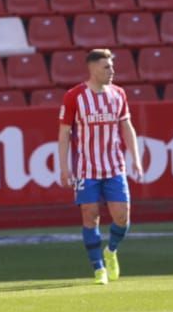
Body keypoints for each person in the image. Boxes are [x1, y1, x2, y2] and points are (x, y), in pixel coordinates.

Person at [58, 48, 143, 285]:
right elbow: (64, 134)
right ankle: (98, 268)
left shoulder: (118, 94)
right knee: (90, 215)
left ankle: (111, 251)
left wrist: (135, 157)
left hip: (114, 166)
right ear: (93, 68)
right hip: (86, 169)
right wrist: (64, 167)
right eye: (106, 67)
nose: (112, 71)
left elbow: (127, 127)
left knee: (122, 217)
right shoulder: (74, 96)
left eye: (112, 66)